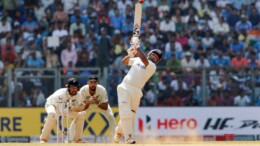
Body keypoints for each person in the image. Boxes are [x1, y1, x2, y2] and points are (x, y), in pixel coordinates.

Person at [114, 37, 162, 144]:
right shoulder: (138, 59)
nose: (154, 57)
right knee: (125, 113)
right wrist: (131, 54)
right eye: (154, 54)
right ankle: (129, 138)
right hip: (125, 87)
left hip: (137, 91)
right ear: (150, 53)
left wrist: (137, 46)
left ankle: (118, 132)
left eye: (157, 57)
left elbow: (144, 60)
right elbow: (124, 62)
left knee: (130, 116)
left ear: (157, 60)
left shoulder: (152, 66)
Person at [68, 75, 117, 142]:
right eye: (91, 82)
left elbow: (105, 107)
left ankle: (115, 138)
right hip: (87, 105)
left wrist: (97, 102)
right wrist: (88, 103)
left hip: (99, 105)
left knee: (111, 116)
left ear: (97, 83)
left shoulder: (102, 89)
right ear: (88, 83)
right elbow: (82, 107)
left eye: (94, 82)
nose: (93, 84)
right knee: (78, 116)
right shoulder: (83, 90)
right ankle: (70, 138)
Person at [39, 78, 86, 143]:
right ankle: (43, 139)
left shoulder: (79, 95)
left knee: (82, 114)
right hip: (53, 105)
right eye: (72, 87)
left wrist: (79, 108)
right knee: (52, 115)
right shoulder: (61, 94)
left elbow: (81, 107)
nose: (74, 89)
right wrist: (73, 109)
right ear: (68, 87)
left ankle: (77, 139)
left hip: (66, 108)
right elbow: (62, 110)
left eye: (76, 87)